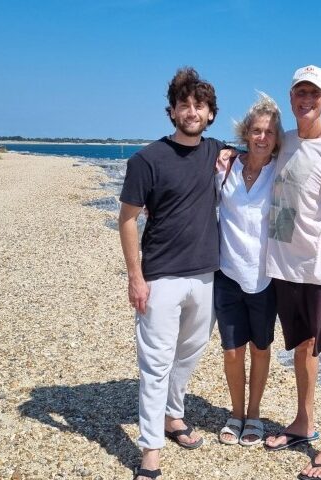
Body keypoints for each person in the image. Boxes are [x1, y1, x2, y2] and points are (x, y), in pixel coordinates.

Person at [118, 67, 234, 480]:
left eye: (199, 106)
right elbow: (127, 219)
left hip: (205, 275)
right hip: (160, 277)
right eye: (184, 105)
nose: (191, 111)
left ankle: (173, 416)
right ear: (171, 111)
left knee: (189, 354)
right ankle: (150, 451)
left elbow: (262, 151)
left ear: (211, 114)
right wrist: (135, 277)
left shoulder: (217, 151)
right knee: (155, 364)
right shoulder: (146, 160)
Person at [263, 65, 321, 480]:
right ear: (291, 97)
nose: (306, 100)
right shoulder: (284, 141)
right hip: (285, 269)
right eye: (300, 92)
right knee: (302, 348)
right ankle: (303, 423)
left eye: (314, 94)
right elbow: (254, 149)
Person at [214, 93, 282, 447]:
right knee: (232, 351)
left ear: (277, 137)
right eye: (256, 130)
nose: (262, 137)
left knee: (260, 348)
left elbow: (296, 215)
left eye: (269, 132)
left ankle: (254, 414)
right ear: (246, 133)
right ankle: (236, 413)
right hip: (227, 274)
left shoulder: (281, 171)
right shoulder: (226, 168)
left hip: (265, 278)